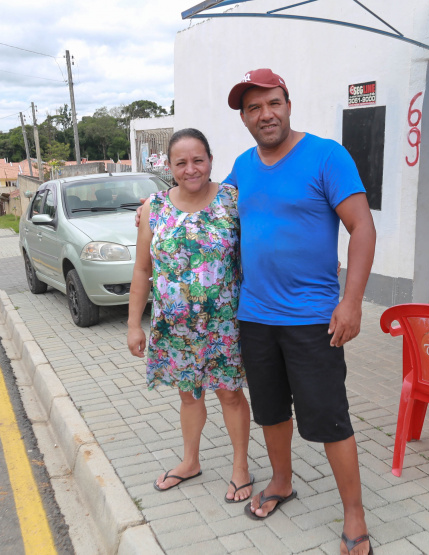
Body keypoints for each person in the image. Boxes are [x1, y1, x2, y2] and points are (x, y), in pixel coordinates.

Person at [225, 69, 376, 555]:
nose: (264, 114)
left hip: (313, 318)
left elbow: (362, 228)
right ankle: (282, 482)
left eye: (272, 103)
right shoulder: (242, 166)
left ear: (288, 103)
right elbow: (210, 210)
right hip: (255, 316)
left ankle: (354, 513)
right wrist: (157, 206)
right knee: (270, 410)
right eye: (253, 108)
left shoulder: (327, 155)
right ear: (245, 118)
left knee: (330, 418)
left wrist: (350, 302)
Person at [127, 128, 254, 504]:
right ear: (169, 166)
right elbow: (141, 271)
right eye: (181, 162)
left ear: (211, 161)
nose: (191, 169)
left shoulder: (233, 200)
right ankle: (190, 461)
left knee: (230, 395)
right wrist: (135, 324)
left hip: (224, 325)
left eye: (198, 160)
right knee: (188, 396)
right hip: (175, 327)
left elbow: (269, 232)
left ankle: (240, 467)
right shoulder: (154, 208)